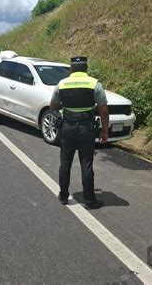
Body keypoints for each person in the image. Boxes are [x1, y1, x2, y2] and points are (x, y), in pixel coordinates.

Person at [50, 56, 109, 209]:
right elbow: (103, 111)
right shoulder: (95, 84)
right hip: (87, 129)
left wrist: (66, 108)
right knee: (86, 163)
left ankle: (63, 196)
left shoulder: (61, 84)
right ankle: (90, 201)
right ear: (86, 68)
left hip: (67, 127)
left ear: (71, 69)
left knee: (65, 163)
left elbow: (53, 106)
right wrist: (104, 131)